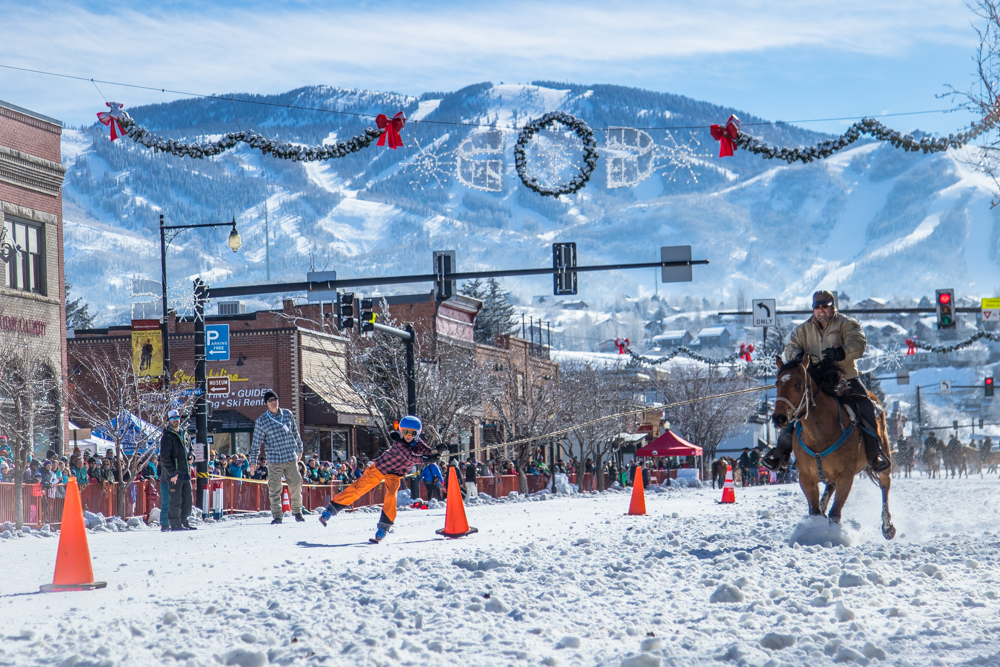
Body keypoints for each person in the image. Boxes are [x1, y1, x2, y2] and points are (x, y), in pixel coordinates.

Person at [762, 290, 891, 473]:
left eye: (825, 306)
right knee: (794, 409)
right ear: (813, 309)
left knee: (866, 407)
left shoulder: (847, 324)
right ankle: (780, 454)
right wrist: (796, 356)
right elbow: (790, 348)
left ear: (833, 307)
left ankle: (874, 454)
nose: (821, 310)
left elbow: (859, 344)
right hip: (814, 381)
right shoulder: (803, 329)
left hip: (844, 378)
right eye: (817, 307)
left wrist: (841, 352)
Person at [319, 415, 447, 542]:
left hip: (395, 474)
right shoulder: (399, 443)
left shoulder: (418, 444)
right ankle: (330, 510)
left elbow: (427, 451)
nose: (408, 435)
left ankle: (383, 527)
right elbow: (412, 457)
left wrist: (436, 451)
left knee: (391, 496)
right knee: (359, 489)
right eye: (405, 432)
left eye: (412, 433)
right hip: (379, 469)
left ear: (417, 434)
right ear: (400, 431)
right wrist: (427, 459)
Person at [248, 390, 305, 525]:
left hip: (290, 456)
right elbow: (256, 443)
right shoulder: (262, 421)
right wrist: (253, 462)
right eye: (270, 400)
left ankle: (297, 512)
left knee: (296, 484)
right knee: (274, 489)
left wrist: (300, 448)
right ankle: (277, 516)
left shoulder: (287, 414)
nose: (273, 402)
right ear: (266, 403)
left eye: (275, 399)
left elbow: (295, 432)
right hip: (274, 460)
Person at [160, 409, 195, 531]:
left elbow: (190, 449)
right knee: (175, 500)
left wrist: (192, 456)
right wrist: (172, 473)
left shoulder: (185, 434)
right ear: (169, 420)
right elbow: (164, 457)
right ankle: (175, 524)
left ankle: (184, 521)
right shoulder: (167, 437)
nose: (175, 420)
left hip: (186, 472)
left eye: (177, 418)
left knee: (187, 500)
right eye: (172, 418)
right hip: (175, 474)